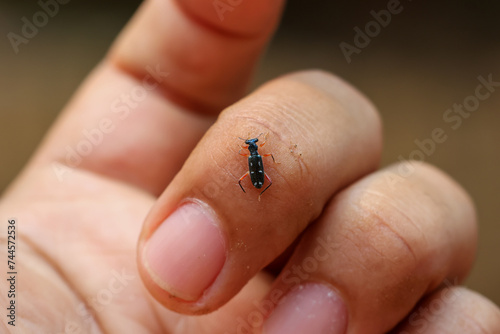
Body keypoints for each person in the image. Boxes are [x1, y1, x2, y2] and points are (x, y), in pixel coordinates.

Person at [2, 0, 499, 333]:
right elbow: (254, 169)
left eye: (255, 150)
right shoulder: (252, 158)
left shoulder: (256, 160)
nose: (255, 153)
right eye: (253, 150)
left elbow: (259, 171)